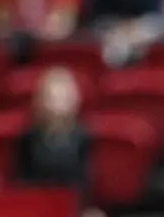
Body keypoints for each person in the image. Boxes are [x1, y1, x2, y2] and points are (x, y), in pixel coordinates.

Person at [15, 67, 103, 217]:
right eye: (51, 97)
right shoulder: (27, 137)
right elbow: (21, 180)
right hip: (38, 206)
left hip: (74, 206)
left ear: (74, 98)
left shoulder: (84, 137)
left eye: (62, 97)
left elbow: (86, 181)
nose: (56, 105)